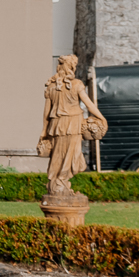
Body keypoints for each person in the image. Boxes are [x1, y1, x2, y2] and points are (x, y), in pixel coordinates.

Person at [38, 54, 105, 194]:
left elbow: (46, 113)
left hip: (56, 126)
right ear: (71, 68)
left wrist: (44, 131)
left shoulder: (51, 85)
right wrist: (101, 117)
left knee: (58, 154)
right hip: (73, 124)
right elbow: (89, 105)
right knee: (71, 155)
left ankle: (57, 183)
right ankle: (60, 183)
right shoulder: (76, 84)